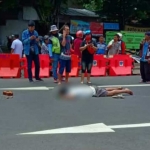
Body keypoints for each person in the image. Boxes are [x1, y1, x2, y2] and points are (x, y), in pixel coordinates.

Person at [57, 84, 133, 100]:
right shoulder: (72, 88)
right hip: (92, 87)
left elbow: (71, 97)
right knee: (104, 89)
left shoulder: (72, 92)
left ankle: (125, 90)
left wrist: (63, 97)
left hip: (94, 92)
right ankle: (118, 87)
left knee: (109, 93)